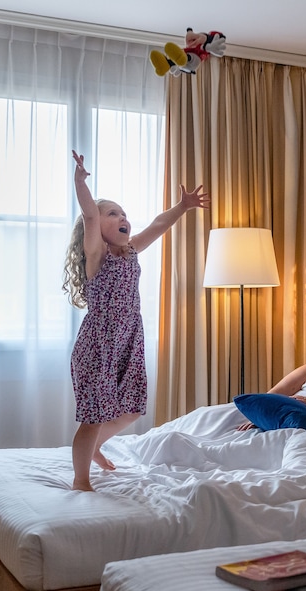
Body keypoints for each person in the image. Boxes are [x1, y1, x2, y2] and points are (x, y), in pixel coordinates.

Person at [63, 151, 210, 491]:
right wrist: (80, 182)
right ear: (97, 228)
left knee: (131, 409)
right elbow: (89, 214)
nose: (122, 217)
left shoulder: (130, 251)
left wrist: (182, 206)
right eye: (112, 213)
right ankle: (80, 479)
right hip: (98, 347)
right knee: (94, 416)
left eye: (124, 213)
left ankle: (96, 446)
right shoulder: (97, 254)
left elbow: (158, 225)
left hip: (128, 340)